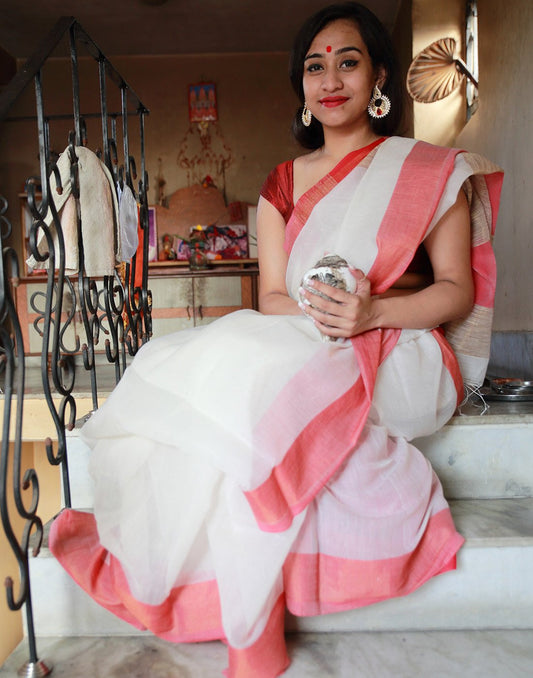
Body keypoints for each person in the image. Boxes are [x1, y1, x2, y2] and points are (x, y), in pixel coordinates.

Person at [49, 3, 503, 677]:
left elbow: (454, 291)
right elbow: (270, 300)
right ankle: (248, 620)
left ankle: (250, 613)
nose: (329, 79)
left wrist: (370, 312)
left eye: (347, 61)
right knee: (212, 357)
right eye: (313, 66)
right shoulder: (282, 183)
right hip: (308, 337)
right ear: (301, 87)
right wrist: (325, 322)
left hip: (399, 346)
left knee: (239, 373)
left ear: (377, 75)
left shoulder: (427, 170)